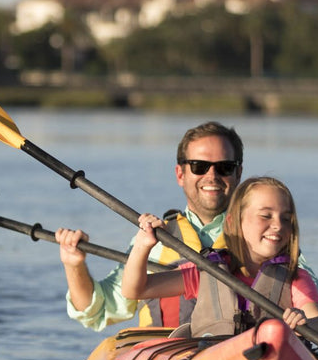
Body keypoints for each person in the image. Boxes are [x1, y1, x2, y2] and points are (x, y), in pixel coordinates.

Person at [56, 121, 247, 330]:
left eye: (225, 167)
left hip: (237, 354)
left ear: (238, 173)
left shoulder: (261, 237)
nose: (212, 176)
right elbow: (98, 311)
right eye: (198, 166)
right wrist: (74, 265)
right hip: (167, 356)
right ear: (180, 174)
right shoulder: (152, 241)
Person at [121, 176, 318, 339]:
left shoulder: (295, 277)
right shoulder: (208, 271)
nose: (278, 225)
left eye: (286, 219)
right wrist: (142, 246)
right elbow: (135, 290)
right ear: (234, 222)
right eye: (266, 216)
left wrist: (305, 324)